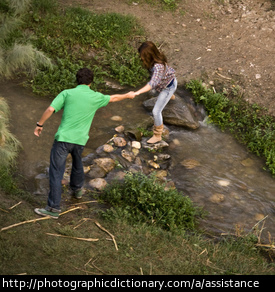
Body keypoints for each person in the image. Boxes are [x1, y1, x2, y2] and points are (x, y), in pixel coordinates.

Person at [34, 68, 135, 219]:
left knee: (56, 172)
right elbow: (113, 98)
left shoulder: (67, 93)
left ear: (77, 80)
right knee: (77, 162)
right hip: (80, 140)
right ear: (91, 82)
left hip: (63, 139)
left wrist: (40, 124)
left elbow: (50, 109)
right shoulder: (95, 97)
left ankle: (53, 208)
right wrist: (127, 95)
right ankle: (77, 190)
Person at [134, 41, 177, 143]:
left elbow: (153, 83)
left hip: (168, 88)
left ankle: (157, 135)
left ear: (149, 55)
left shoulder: (158, 67)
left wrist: (137, 92)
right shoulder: (158, 58)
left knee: (156, 111)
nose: (141, 58)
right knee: (160, 93)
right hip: (168, 83)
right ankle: (171, 96)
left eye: (143, 56)